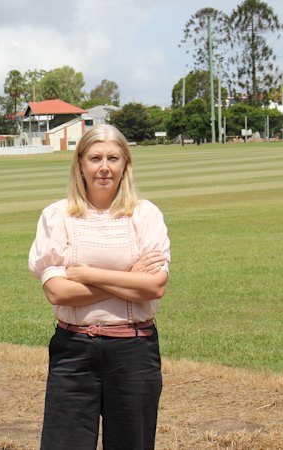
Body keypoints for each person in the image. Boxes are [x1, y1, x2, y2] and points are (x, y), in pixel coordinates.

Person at [28, 124, 170, 450]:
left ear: (125, 165)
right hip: (74, 350)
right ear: (80, 163)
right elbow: (57, 292)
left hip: (133, 350)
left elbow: (156, 286)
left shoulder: (145, 215)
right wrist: (130, 277)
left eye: (112, 158)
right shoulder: (58, 215)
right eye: (95, 158)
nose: (103, 167)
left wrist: (85, 273)